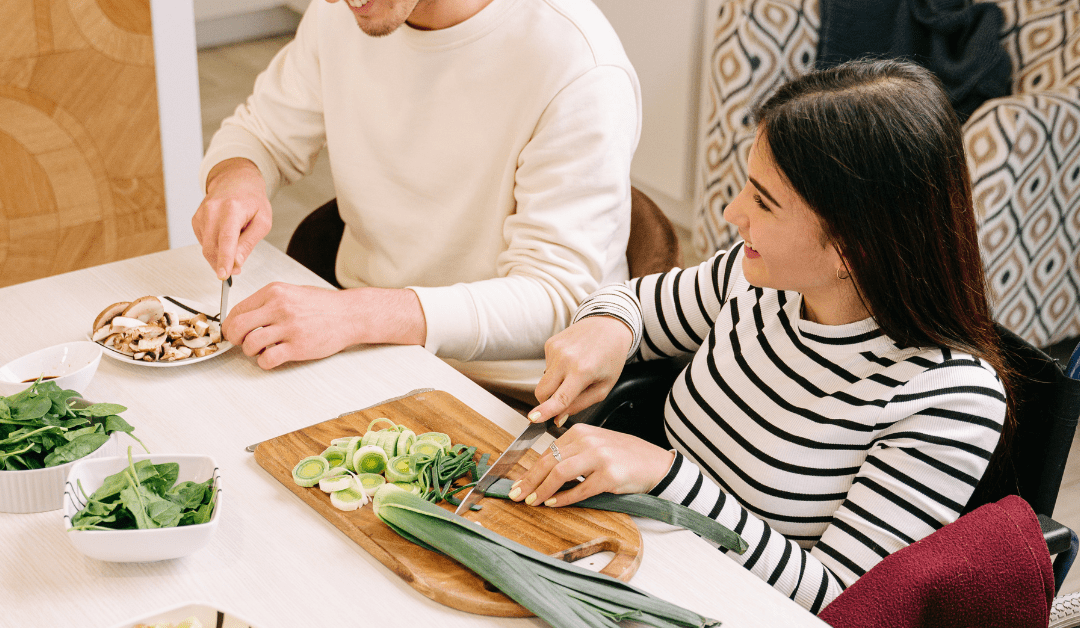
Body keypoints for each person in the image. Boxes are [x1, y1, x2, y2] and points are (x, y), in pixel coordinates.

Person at [510, 59, 1013, 614]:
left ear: (853, 247)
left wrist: (664, 475)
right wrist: (606, 326)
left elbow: (836, 599)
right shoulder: (759, 281)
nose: (733, 213)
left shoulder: (949, 398)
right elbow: (632, 304)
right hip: (626, 563)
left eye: (764, 203)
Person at [193, 0, 640, 389]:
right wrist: (236, 179)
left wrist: (356, 315)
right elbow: (262, 132)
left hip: (506, 391)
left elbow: (556, 298)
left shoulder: (578, 63)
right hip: (366, 352)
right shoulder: (343, 15)